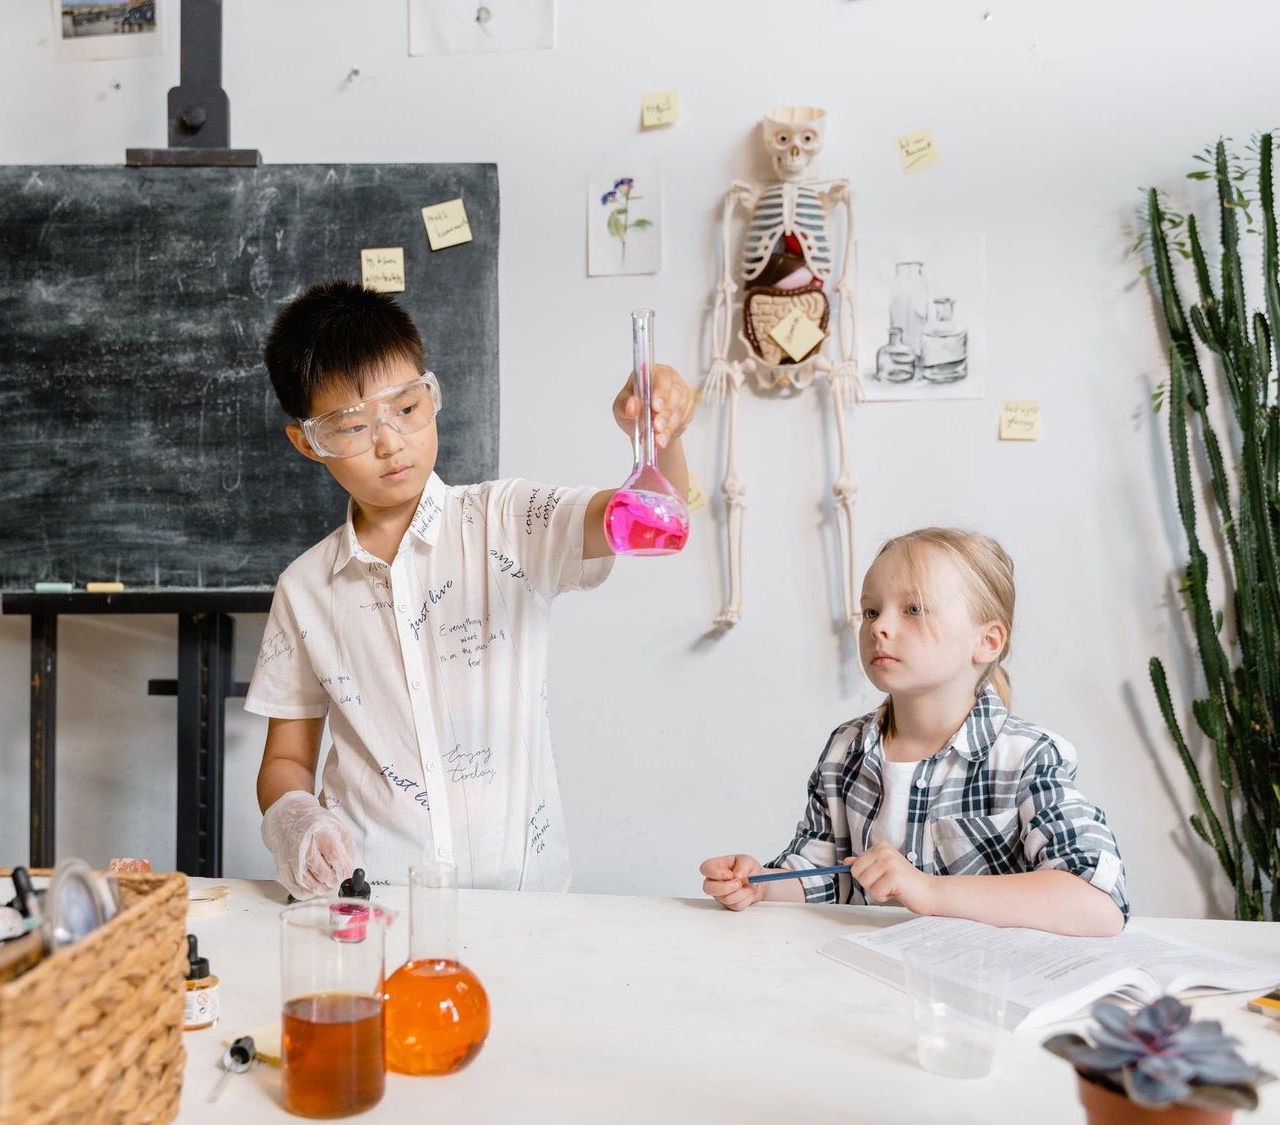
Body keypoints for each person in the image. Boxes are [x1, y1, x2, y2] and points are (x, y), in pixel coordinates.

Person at [247, 280, 694, 898]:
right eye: (352, 426)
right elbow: (286, 762)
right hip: (372, 905)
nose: (389, 442)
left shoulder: (510, 521)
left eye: (406, 408)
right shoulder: (305, 589)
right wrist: (296, 823)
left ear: (431, 396)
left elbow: (654, 520)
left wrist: (658, 437)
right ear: (308, 442)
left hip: (520, 906)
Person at [700, 528, 1128, 937]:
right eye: (871, 611)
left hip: (980, 992)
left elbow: (1098, 901)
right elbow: (825, 877)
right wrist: (761, 884)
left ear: (988, 641)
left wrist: (926, 890)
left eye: (914, 609)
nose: (879, 627)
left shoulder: (1027, 755)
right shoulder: (846, 749)